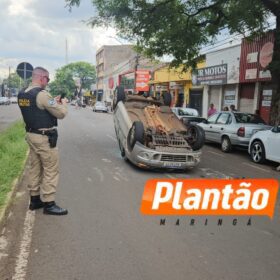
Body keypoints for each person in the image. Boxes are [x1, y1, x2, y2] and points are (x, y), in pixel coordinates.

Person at [18, 67, 68, 215]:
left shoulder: (23, 93)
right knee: (51, 168)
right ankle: (49, 203)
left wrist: (54, 102)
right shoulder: (42, 95)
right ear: (42, 78)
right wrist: (63, 103)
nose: (48, 82)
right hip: (43, 137)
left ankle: (34, 200)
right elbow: (61, 113)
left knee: (35, 166)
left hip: (31, 135)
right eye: (48, 79)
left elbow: (38, 108)